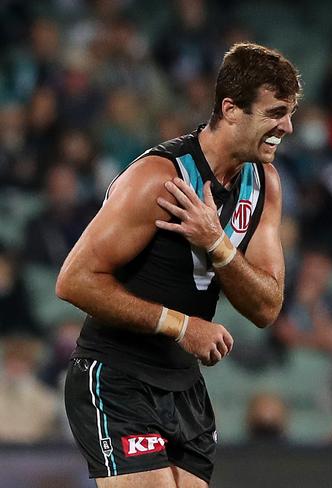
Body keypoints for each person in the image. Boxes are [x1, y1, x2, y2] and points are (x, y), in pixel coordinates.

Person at [56, 43, 301, 487]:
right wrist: (182, 326)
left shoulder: (265, 183)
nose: (287, 126)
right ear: (230, 109)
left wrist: (218, 245)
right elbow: (74, 281)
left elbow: (266, 308)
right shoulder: (159, 177)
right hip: (116, 375)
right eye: (275, 113)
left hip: (183, 385)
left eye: (289, 113)